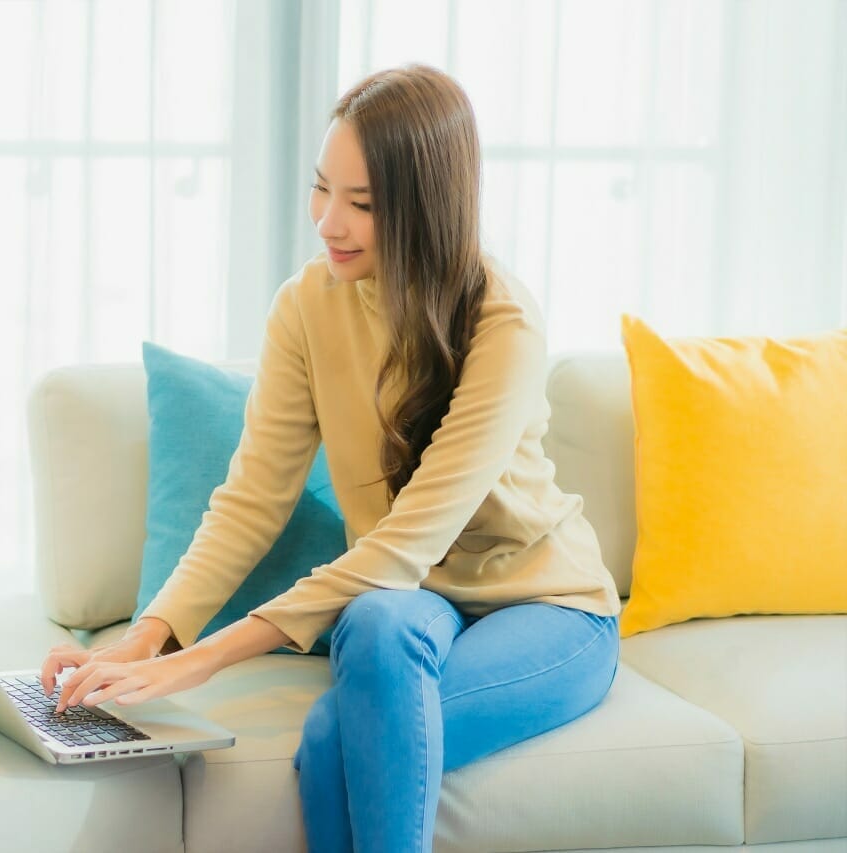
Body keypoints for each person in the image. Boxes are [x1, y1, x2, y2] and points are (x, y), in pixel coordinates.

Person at [38, 64, 621, 853]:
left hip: (547, 608)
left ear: (426, 209)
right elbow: (251, 500)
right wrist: (145, 640)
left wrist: (198, 664)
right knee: (376, 618)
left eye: (364, 204)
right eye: (322, 189)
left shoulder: (503, 323)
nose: (328, 223)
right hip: (408, 599)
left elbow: (404, 541)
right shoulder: (306, 306)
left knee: (332, 738)